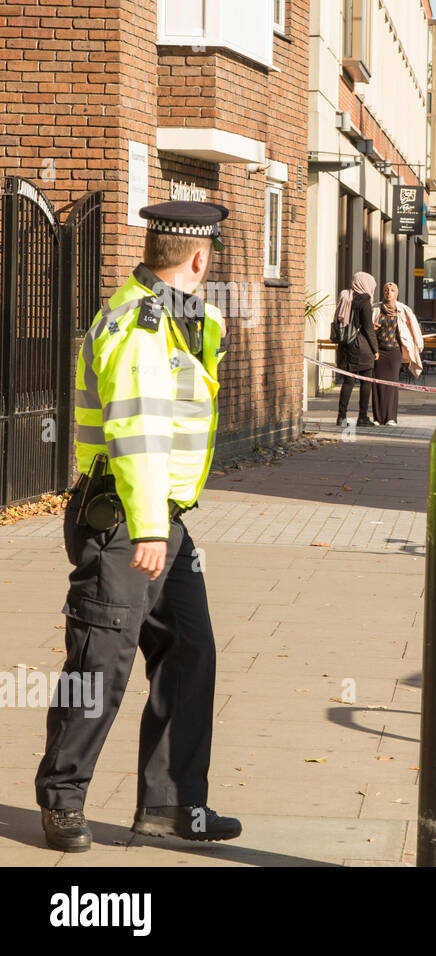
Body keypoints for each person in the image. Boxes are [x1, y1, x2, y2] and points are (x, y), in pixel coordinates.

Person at [35, 201, 241, 852]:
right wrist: (151, 528)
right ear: (201, 258)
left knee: (190, 649)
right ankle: (62, 800)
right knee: (102, 659)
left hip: (162, 521)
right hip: (128, 521)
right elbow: (139, 432)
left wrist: (163, 525)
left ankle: (170, 805)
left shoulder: (174, 320)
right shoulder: (140, 324)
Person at [371, 281, 424, 426]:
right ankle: (377, 417)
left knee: (392, 384)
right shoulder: (375, 309)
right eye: (386, 290)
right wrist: (372, 329)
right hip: (378, 352)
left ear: (396, 293)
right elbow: (367, 329)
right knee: (377, 384)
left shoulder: (403, 310)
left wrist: (417, 345)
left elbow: (413, 328)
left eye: (392, 290)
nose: (389, 292)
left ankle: (391, 417)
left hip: (394, 352)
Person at [335, 272, 380, 427]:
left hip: (346, 344)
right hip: (361, 346)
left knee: (348, 381)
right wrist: (375, 349)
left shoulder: (345, 297)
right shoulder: (365, 301)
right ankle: (362, 416)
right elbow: (368, 328)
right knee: (366, 381)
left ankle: (341, 416)